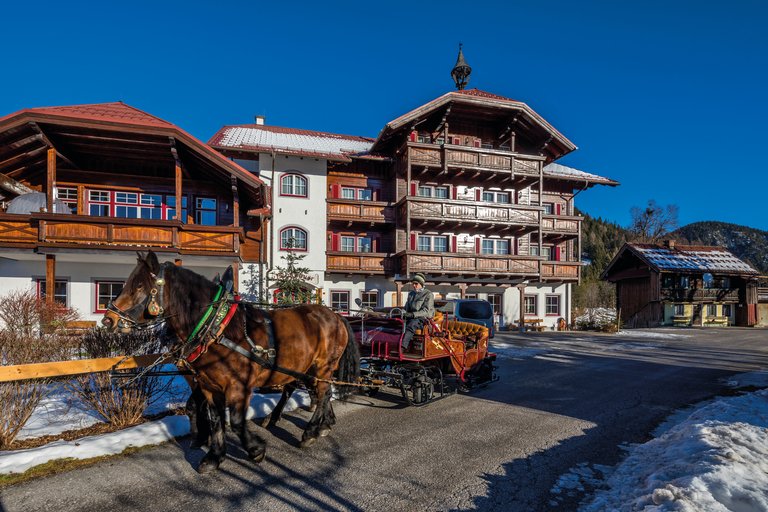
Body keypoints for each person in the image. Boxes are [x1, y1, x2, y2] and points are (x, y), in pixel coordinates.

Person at [401, 273, 435, 351]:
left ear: (421, 284)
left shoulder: (428, 294)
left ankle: (403, 347)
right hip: (411, 317)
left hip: (423, 319)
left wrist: (413, 314)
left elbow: (426, 311)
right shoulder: (411, 294)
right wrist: (403, 313)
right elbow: (406, 308)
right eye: (413, 284)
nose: (414, 285)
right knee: (398, 321)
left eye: (416, 284)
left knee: (412, 324)